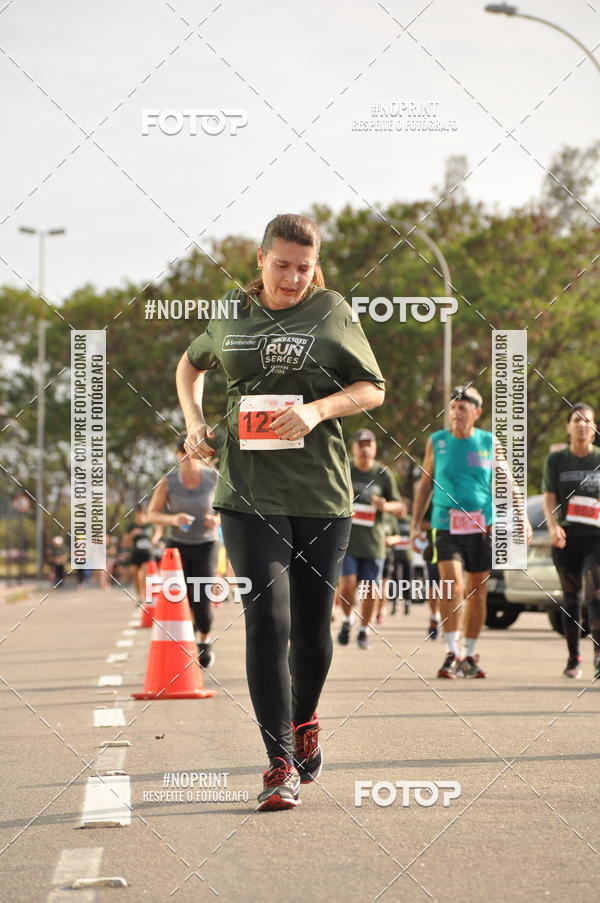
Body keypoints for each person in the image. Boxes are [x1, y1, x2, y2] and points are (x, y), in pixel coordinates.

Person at [177, 213, 385, 811]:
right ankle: (279, 762)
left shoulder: (331, 311)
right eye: (283, 264)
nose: (293, 277)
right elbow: (190, 364)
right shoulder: (230, 313)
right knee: (268, 620)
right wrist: (194, 421)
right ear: (260, 257)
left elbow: (372, 387)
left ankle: (305, 718)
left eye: (304, 266)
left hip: (321, 495)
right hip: (247, 494)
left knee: (313, 630)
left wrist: (318, 411)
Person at [410, 385, 531, 679]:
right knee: (452, 584)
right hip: (445, 525)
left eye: (462, 407)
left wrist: (523, 516)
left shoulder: (488, 442)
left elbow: (508, 479)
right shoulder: (436, 442)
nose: (456, 412)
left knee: (478, 593)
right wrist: (415, 523)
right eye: (452, 407)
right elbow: (425, 484)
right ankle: (452, 652)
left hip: (481, 527)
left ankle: (470, 654)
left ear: (477, 412)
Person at [147, 438, 220, 667]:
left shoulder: (213, 478)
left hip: (206, 544)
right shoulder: (168, 482)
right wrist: (172, 519)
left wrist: (216, 520)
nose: (189, 458)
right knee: (182, 597)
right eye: (184, 453)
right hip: (177, 546)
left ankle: (204, 641)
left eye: (194, 453)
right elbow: (152, 514)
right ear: (177, 455)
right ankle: (189, 638)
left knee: (203, 598)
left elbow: (228, 509)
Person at [542, 404, 600, 680]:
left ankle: (598, 656)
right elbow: (549, 496)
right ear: (568, 427)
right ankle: (574, 658)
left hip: (596, 537)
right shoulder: (557, 460)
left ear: (594, 427)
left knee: (595, 592)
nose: (581, 425)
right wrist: (553, 526)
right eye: (576, 420)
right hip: (567, 536)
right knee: (571, 598)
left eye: (587, 421)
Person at [336, 430, 405, 647]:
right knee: (347, 584)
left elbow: (400, 508)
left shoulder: (383, 474)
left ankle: (364, 630)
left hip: (374, 544)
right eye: (361, 444)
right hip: (346, 541)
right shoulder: (344, 468)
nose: (365, 448)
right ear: (354, 448)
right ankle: (348, 620)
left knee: (370, 589)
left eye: (369, 444)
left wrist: (386, 506)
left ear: (374, 448)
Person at [123, 505, 155, 603]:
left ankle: (143, 594)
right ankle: (139, 596)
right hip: (135, 553)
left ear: (143, 513)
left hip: (147, 554)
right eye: (137, 513)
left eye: (141, 513)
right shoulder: (131, 526)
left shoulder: (149, 525)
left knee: (142, 575)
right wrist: (132, 534)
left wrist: (155, 539)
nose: (139, 515)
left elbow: (158, 531)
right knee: (135, 575)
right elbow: (125, 542)